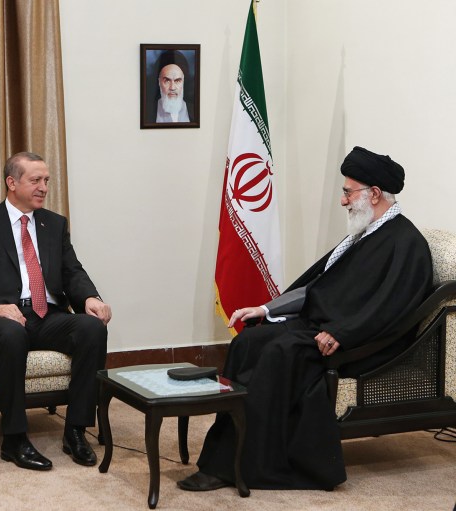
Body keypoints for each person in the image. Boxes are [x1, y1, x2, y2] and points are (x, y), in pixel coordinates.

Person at [178, 147, 433, 492]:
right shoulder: (366, 233)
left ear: (374, 194)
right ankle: (230, 454)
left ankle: (241, 467)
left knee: (277, 353)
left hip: (362, 343)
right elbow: (318, 286)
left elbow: (393, 310)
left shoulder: (407, 243)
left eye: (348, 192)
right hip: (322, 329)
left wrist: (342, 332)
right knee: (248, 341)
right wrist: (267, 310)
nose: (343, 201)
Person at [0, 152, 111, 471]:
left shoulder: (54, 224)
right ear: (12, 183)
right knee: (12, 334)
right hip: (1, 318)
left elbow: (71, 271)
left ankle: (76, 431)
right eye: (35, 180)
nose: (43, 187)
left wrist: (91, 297)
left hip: (46, 314)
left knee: (92, 328)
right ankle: (14, 439)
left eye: (47, 181)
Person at [155, 50, 191, 123]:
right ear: (159, 82)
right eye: (167, 81)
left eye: (177, 81)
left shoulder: (194, 111)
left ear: (183, 82)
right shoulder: (148, 112)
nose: (172, 88)